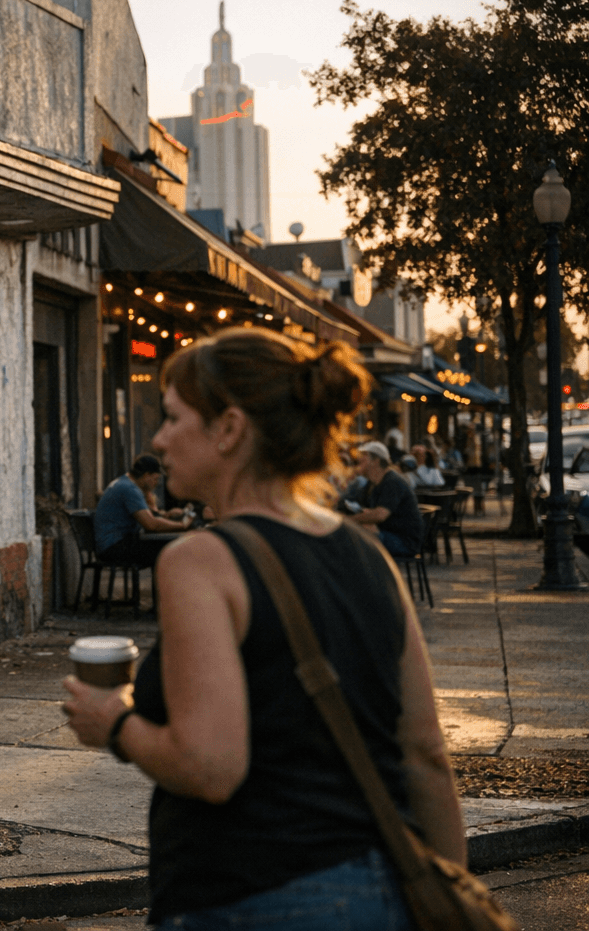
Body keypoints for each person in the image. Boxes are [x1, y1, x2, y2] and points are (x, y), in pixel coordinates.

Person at [63, 328, 464, 930]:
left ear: (228, 429)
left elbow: (210, 767)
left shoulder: (200, 561)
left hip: (250, 897)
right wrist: (446, 896)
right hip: (386, 894)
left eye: (173, 418)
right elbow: (427, 753)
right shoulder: (367, 556)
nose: (159, 439)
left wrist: (113, 723)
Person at [93, 454, 192, 569]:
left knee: (164, 547)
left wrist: (165, 514)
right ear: (146, 476)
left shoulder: (124, 482)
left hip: (110, 545)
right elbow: (151, 524)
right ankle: (169, 586)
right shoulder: (130, 489)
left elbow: (146, 514)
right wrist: (181, 525)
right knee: (169, 549)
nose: (157, 483)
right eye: (155, 479)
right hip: (113, 547)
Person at [349, 441, 427, 557]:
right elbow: (357, 503)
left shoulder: (392, 482)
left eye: (363, 459)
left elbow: (380, 515)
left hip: (404, 542)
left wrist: (349, 519)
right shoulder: (372, 484)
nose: (358, 462)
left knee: (362, 530)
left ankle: (363, 573)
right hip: (388, 534)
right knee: (358, 530)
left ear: (376, 461)